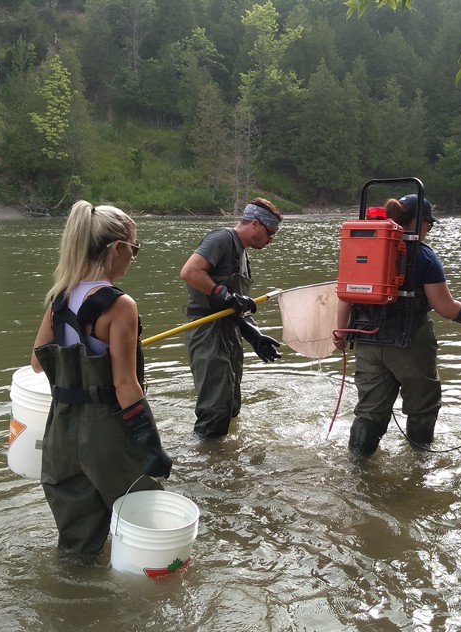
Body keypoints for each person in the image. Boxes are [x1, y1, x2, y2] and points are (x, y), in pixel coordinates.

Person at [30, 200, 172, 561]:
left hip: (60, 435)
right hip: (106, 433)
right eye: (134, 249)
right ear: (117, 248)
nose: (133, 258)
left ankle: (71, 604)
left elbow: (36, 362)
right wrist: (151, 446)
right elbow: (125, 386)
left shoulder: (59, 298)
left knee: (77, 548)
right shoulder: (120, 305)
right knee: (147, 528)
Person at [334, 194, 461, 456]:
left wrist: (340, 332)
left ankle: (357, 467)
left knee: (369, 412)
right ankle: (420, 467)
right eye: (429, 224)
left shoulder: (362, 246)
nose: (430, 230)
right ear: (418, 222)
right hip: (409, 343)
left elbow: (346, 294)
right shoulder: (424, 256)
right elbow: (446, 307)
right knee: (422, 407)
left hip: (365, 340)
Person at [179, 198, 284, 438]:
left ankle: (226, 460)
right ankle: (205, 463)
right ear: (255, 224)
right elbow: (190, 271)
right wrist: (225, 296)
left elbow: (238, 307)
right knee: (215, 409)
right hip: (207, 331)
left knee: (230, 405)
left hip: (230, 333)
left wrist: (254, 335)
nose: (270, 240)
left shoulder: (242, 254)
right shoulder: (221, 239)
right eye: (270, 233)